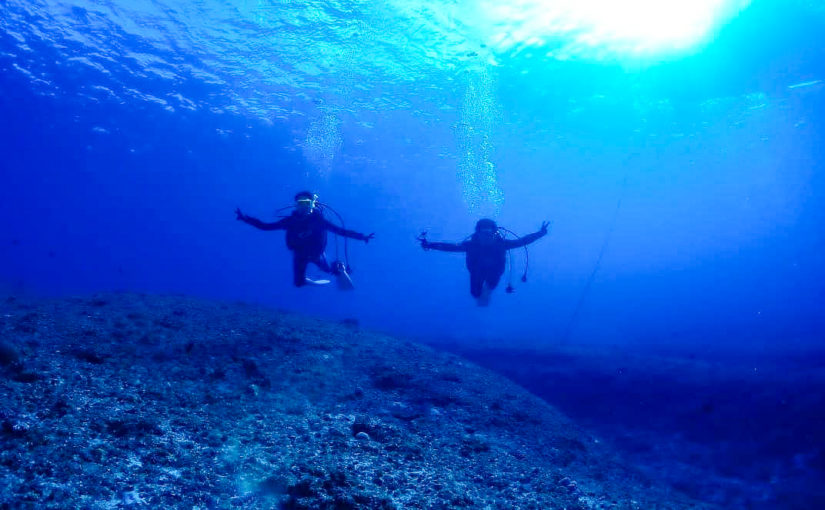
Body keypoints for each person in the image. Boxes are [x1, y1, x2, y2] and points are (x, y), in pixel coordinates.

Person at [236, 191, 374, 288]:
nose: (303, 206)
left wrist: (362, 237)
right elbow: (265, 226)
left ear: (312, 204)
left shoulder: (319, 221)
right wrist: (245, 219)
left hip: (316, 254)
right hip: (300, 255)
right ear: (296, 205)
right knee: (298, 284)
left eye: (307, 203)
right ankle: (307, 281)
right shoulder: (290, 221)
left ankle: (339, 266)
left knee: (332, 271)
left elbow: (341, 231)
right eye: (300, 203)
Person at [420, 219, 548, 305]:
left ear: (495, 233)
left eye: (489, 232)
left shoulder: (502, 244)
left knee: (490, 286)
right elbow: (451, 247)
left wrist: (541, 233)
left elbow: (523, 241)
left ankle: (487, 291)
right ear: (478, 233)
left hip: (495, 272)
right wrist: (430, 244)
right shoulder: (471, 245)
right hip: (476, 272)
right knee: (475, 294)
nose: (486, 235)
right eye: (483, 232)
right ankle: (482, 295)